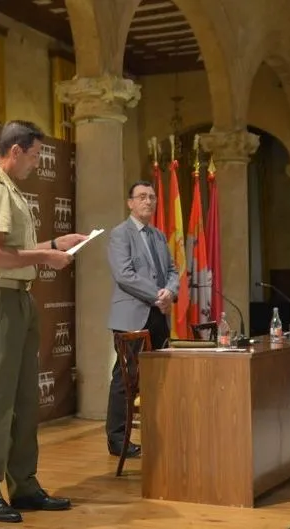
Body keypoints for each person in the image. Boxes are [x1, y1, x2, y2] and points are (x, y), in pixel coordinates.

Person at [0, 120, 87, 523]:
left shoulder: (8, 186)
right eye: (34, 156)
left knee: (23, 401)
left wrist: (53, 245)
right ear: (15, 151)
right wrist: (47, 258)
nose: (36, 165)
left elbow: (12, 249)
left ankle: (24, 485)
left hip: (17, 299)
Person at [104, 180, 179, 457]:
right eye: (142, 197)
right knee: (126, 378)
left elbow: (172, 269)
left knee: (160, 377)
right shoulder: (120, 234)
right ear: (130, 203)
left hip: (158, 316)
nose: (148, 201)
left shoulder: (158, 236)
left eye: (152, 197)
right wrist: (159, 295)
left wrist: (170, 291)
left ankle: (158, 430)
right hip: (131, 316)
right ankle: (117, 439)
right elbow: (124, 275)